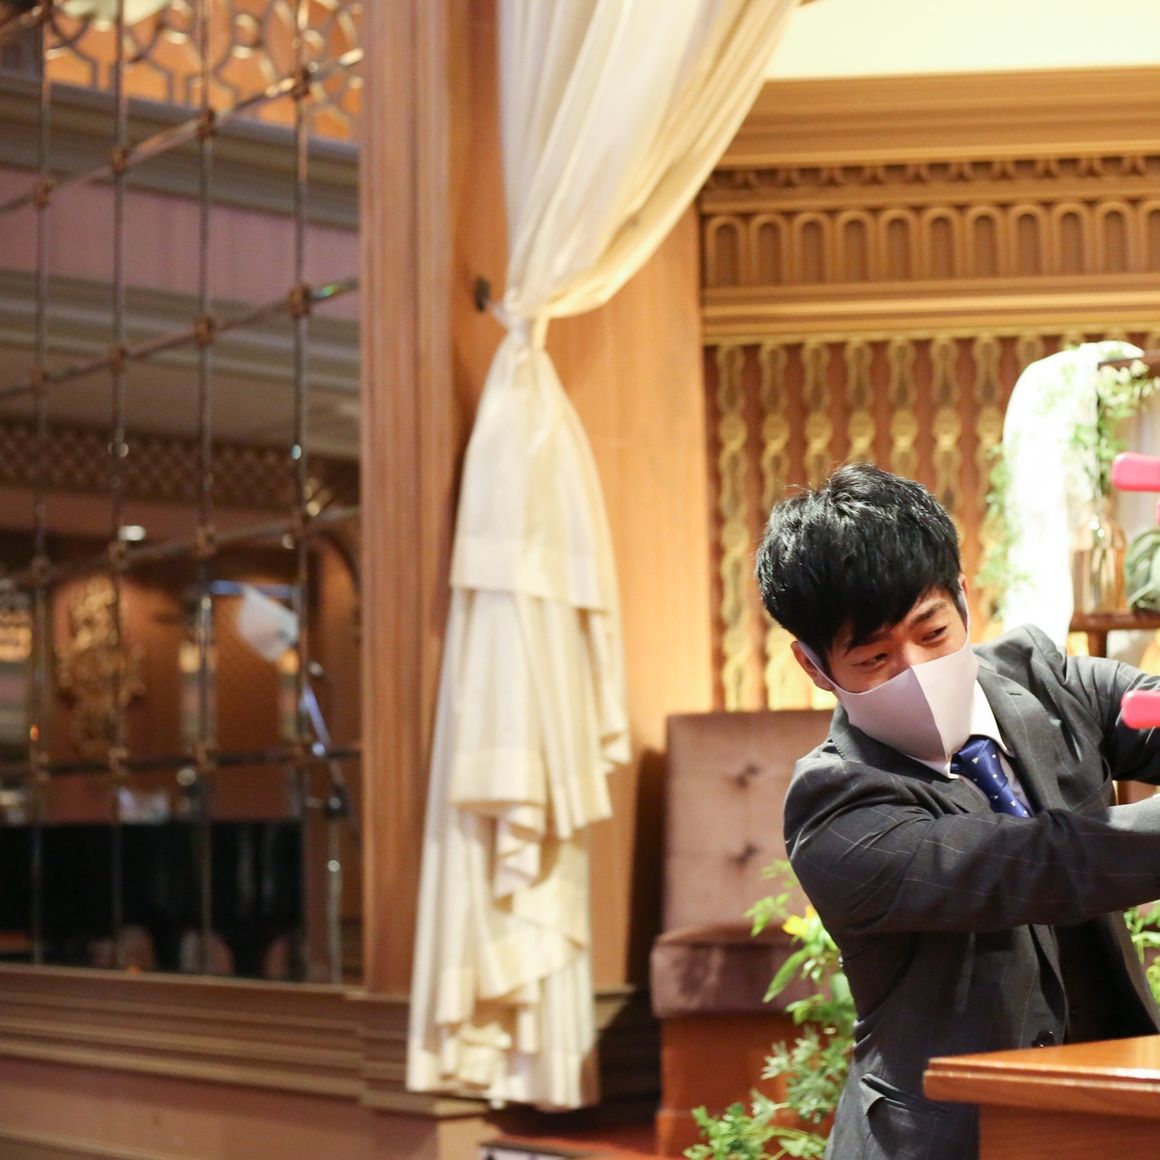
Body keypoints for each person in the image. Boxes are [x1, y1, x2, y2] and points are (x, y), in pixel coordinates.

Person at [755, 461, 1160, 1160]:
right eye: (875, 657)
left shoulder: (1042, 677)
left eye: (933, 632)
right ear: (815, 667)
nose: (915, 670)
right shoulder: (834, 808)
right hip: (946, 1138)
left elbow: (1147, 715)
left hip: (1108, 1112)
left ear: (964, 600)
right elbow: (1038, 863)